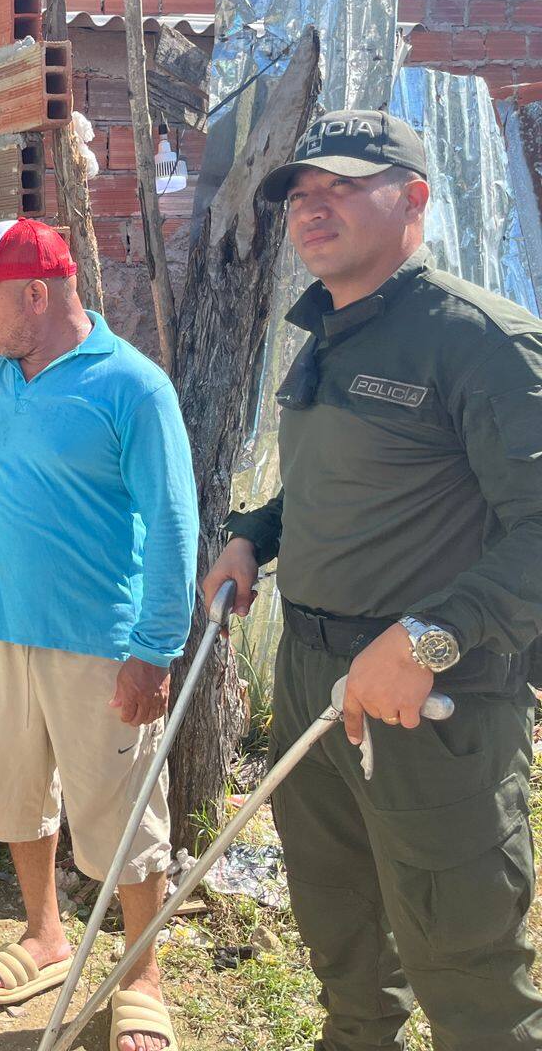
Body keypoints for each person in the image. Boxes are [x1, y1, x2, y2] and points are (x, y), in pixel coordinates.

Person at [202, 109, 542, 1051]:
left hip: (428, 701)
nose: (315, 209)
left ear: (416, 198)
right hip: (313, 677)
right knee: (339, 923)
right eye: (302, 195)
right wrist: (249, 538)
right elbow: (324, 486)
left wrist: (427, 638)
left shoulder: (480, 342)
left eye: (343, 187)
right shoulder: (331, 331)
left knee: (466, 965)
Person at [0, 219, 199, 1051]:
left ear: (36, 294)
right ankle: (46, 934)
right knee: (16, 794)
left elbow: (174, 524)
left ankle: (141, 975)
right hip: (2, 633)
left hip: (100, 646)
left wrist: (154, 650)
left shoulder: (133, 386)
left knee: (125, 820)